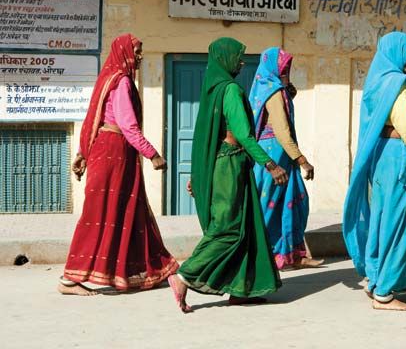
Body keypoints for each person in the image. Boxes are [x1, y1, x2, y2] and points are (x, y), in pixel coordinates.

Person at [168, 37, 287, 313]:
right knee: (228, 229)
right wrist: (270, 164)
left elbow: (205, 138)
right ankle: (185, 276)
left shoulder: (211, 89)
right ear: (225, 59)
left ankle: (240, 289)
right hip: (230, 167)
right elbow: (243, 135)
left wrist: (199, 174)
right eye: (238, 56)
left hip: (223, 165)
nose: (242, 62)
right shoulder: (230, 90)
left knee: (246, 228)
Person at [59, 34, 178, 295]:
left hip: (107, 151)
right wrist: (152, 154)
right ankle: (70, 278)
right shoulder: (122, 82)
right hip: (114, 153)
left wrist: (83, 152)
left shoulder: (108, 80)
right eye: (136, 52)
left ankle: (137, 271)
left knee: (123, 213)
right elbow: (127, 125)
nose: (140, 57)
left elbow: (94, 120)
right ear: (124, 53)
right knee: (101, 214)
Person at [342, 31, 406, 311]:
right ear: (397, 53)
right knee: (399, 225)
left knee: (382, 220)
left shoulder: (376, 81)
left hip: (382, 157)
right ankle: (385, 293)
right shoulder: (397, 84)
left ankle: (375, 280)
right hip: (399, 158)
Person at [248, 47, 323, 270]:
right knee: (269, 208)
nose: (287, 70)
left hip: (283, 156)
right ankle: (261, 257)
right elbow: (281, 131)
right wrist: (302, 160)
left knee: (294, 205)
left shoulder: (274, 88)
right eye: (284, 67)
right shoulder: (272, 91)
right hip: (274, 156)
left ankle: (294, 254)